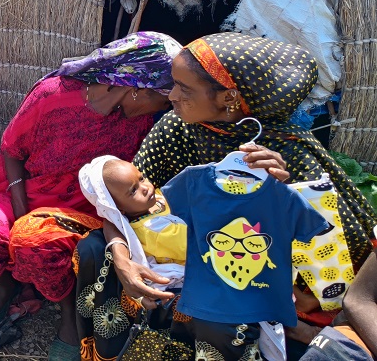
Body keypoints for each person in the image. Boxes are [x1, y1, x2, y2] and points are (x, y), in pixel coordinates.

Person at [78, 32, 377, 360]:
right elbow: (118, 204)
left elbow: (314, 256)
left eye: (184, 88)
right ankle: (109, 347)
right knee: (94, 248)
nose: (171, 95)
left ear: (229, 98)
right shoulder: (175, 130)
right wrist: (122, 258)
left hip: (254, 268)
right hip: (175, 253)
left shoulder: (281, 150)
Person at [0, 31, 181, 358]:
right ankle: (4, 287)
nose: (167, 107)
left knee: (37, 245)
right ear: (139, 90)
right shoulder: (52, 94)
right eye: (165, 98)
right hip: (23, 196)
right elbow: (12, 151)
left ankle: (70, 315)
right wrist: (23, 212)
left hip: (86, 212)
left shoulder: (145, 124)